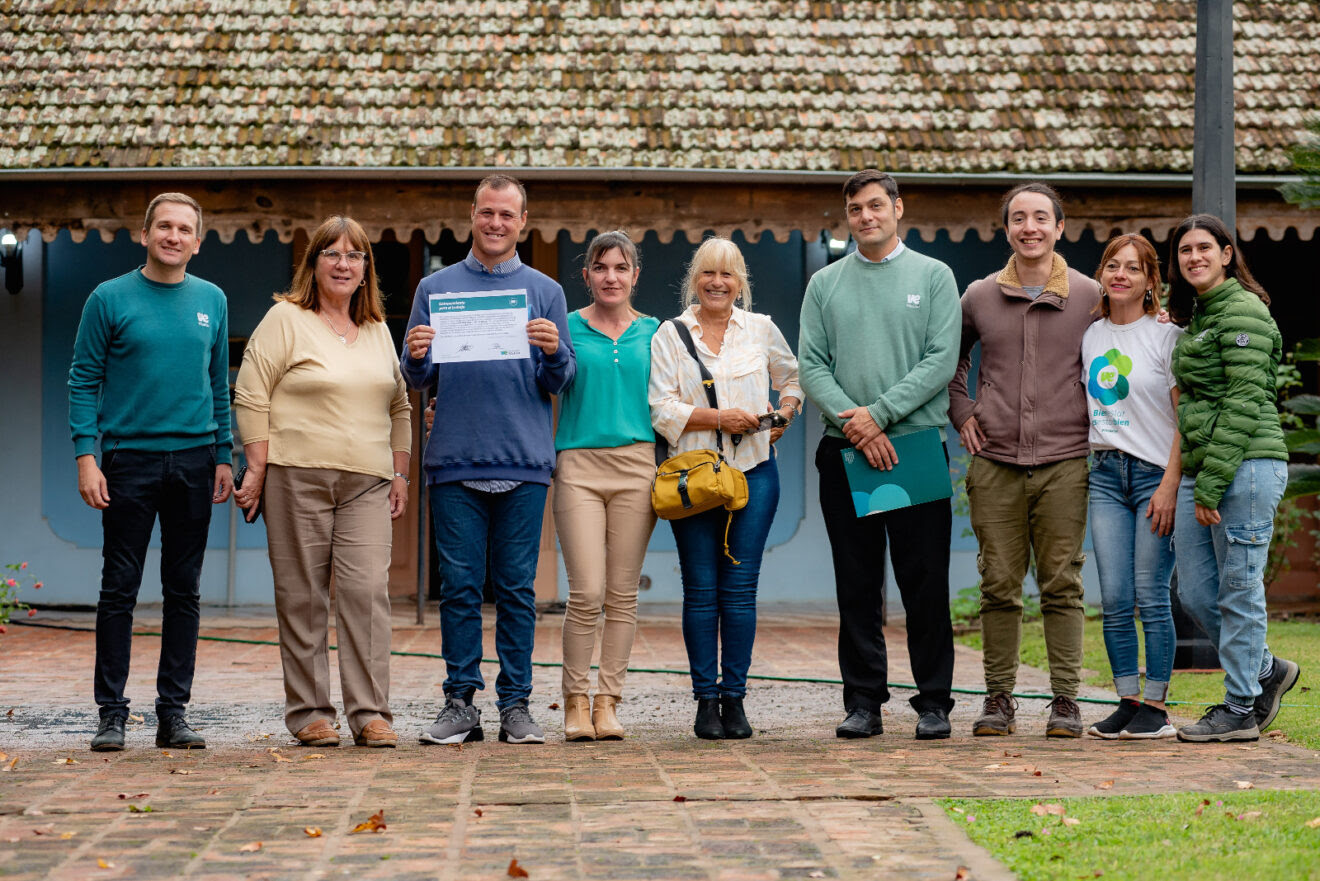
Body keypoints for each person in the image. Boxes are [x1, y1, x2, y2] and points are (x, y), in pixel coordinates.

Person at [402, 174, 575, 746]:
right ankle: (459, 702)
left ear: (523, 221)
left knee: (517, 590)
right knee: (458, 586)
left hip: (524, 460)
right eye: (486, 213)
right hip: (453, 460)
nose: (496, 223)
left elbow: (561, 378)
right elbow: (417, 377)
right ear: (471, 216)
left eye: (507, 214)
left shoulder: (546, 291)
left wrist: (552, 350)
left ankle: (517, 706)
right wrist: (417, 353)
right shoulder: (435, 287)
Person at [232, 216, 411, 749]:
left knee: (365, 594)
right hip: (295, 475)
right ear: (313, 264)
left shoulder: (378, 330)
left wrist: (399, 471)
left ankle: (370, 713)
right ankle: (310, 712)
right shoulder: (285, 319)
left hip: (367, 481)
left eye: (354, 256)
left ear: (365, 271)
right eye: (331, 253)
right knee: (302, 595)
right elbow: (251, 393)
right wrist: (259, 467)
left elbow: (399, 405)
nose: (343, 263)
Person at [798, 170, 961, 741]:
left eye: (875, 205)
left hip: (915, 449)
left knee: (925, 583)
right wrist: (858, 424)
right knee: (857, 584)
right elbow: (811, 366)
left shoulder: (934, 277)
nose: (866, 216)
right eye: (855, 209)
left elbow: (941, 360)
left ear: (898, 208)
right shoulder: (825, 284)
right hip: (845, 453)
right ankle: (864, 701)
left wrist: (880, 415)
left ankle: (934, 702)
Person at [68, 192, 233, 752]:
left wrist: (225, 455)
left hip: (194, 460)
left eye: (184, 229)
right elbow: (83, 379)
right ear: (145, 234)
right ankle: (111, 714)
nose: (173, 236)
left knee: (183, 591)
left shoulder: (212, 298)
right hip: (126, 462)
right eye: (164, 226)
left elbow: (218, 386)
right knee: (119, 588)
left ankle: (173, 715)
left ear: (197, 240)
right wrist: (86, 456)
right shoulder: (108, 298)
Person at [948, 182, 1101, 738]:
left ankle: (1065, 702)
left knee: (1062, 583)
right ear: (1006, 228)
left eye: (1041, 217)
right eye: (1018, 218)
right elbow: (951, 360)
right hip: (994, 462)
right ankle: (997, 699)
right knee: (998, 585)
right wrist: (962, 410)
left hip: (1066, 461)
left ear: (1060, 227)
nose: (1029, 227)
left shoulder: (1090, 295)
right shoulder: (979, 296)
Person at [649, 236, 801, 740]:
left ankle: (734, 699)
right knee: (701, 591)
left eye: (728, 274)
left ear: (741, 283)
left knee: (739, 592)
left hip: (754, 472)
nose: (717, 283)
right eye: (708, 273)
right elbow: (660, 407)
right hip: (693, 479)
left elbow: (793, 376)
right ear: (694, 279)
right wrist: (719, 417)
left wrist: (786, 412)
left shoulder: (760, 329)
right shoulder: (671, 335)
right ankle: (704, 701)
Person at [1164, 214, 1298, 743]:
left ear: (1226, 254)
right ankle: (1266, 669)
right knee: (1197, 593)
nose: (1193, 257)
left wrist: (1212, 484)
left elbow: (1243, 406)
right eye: (1184, 251)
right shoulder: (1201, 316)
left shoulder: (1243, 309)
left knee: (1239, 590)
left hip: (1245, 467)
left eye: (1204, 248)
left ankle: (1241, 708)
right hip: (1209, 469)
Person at [554, 231, 660, 742]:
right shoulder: (566, 328)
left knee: (621, 595)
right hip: (578, 465)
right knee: (586, 592)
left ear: (635, 275)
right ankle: (574, 701)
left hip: (638, 467)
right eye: (601, 268)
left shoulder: (657, 333)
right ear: (587, 275)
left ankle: (608, 702)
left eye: (621, 268)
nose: (611, 277)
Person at [1081, 234, 1183, 740]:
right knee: (1116, 597)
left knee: (1150, 594)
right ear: (1102, 273)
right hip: (1103, 477)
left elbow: (1185, 420)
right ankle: (1126, 700)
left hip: (1152, 478)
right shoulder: (1090, 335)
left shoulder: (1167, 337)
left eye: (1133, 269)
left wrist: (1170, 484)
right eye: (1112, 266)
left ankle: (1157, 706)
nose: (1121, 275)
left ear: (1150, 282)